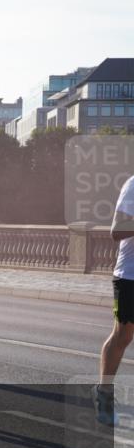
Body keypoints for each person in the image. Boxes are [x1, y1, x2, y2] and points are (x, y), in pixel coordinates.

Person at [95, 174, 134, 426]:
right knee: (123, 336)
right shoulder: (133, 185)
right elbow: (116, 230)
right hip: (130, 276)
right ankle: (104, 393)